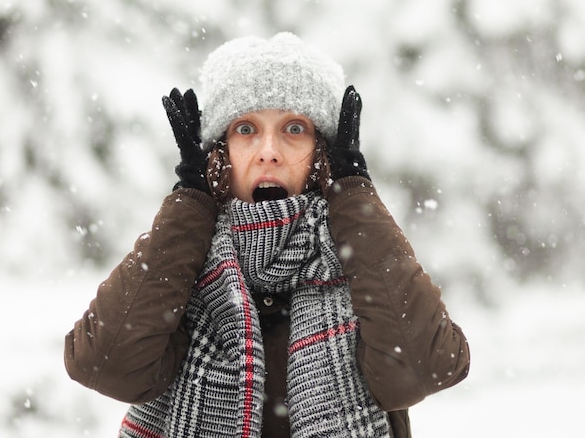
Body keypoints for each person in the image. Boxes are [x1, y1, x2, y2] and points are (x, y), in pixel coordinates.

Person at [64, 32, 470, 437]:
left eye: (294, 128)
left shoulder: (360, 270)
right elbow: (104, 364)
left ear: (321, 153)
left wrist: (355, 198)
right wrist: (189, 203)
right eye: (246, 129)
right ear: (221, 152)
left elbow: (424, 368)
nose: (269, 151)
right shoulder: (182, 268)